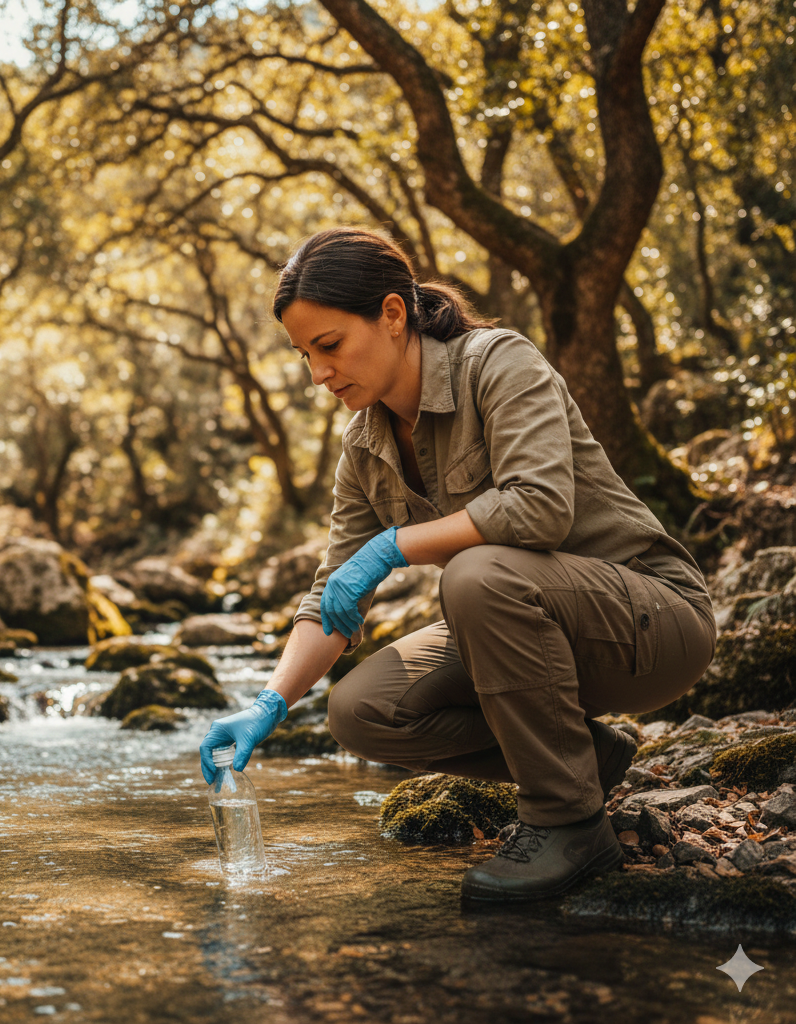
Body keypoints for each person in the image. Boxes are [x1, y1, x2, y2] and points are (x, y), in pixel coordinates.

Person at [198, 227, 716, 902]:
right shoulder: (364, 445)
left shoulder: (499, 362)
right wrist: (269, 703)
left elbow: (539, 509)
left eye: (328, 346)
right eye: (304, 355)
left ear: (391, 315)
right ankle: (587, 761)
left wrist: (392, 548)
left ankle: (569, 822)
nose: (317, 374)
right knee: (359, 710)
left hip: (654, 623)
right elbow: (332, 590)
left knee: (474, 576)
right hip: (526, 627)